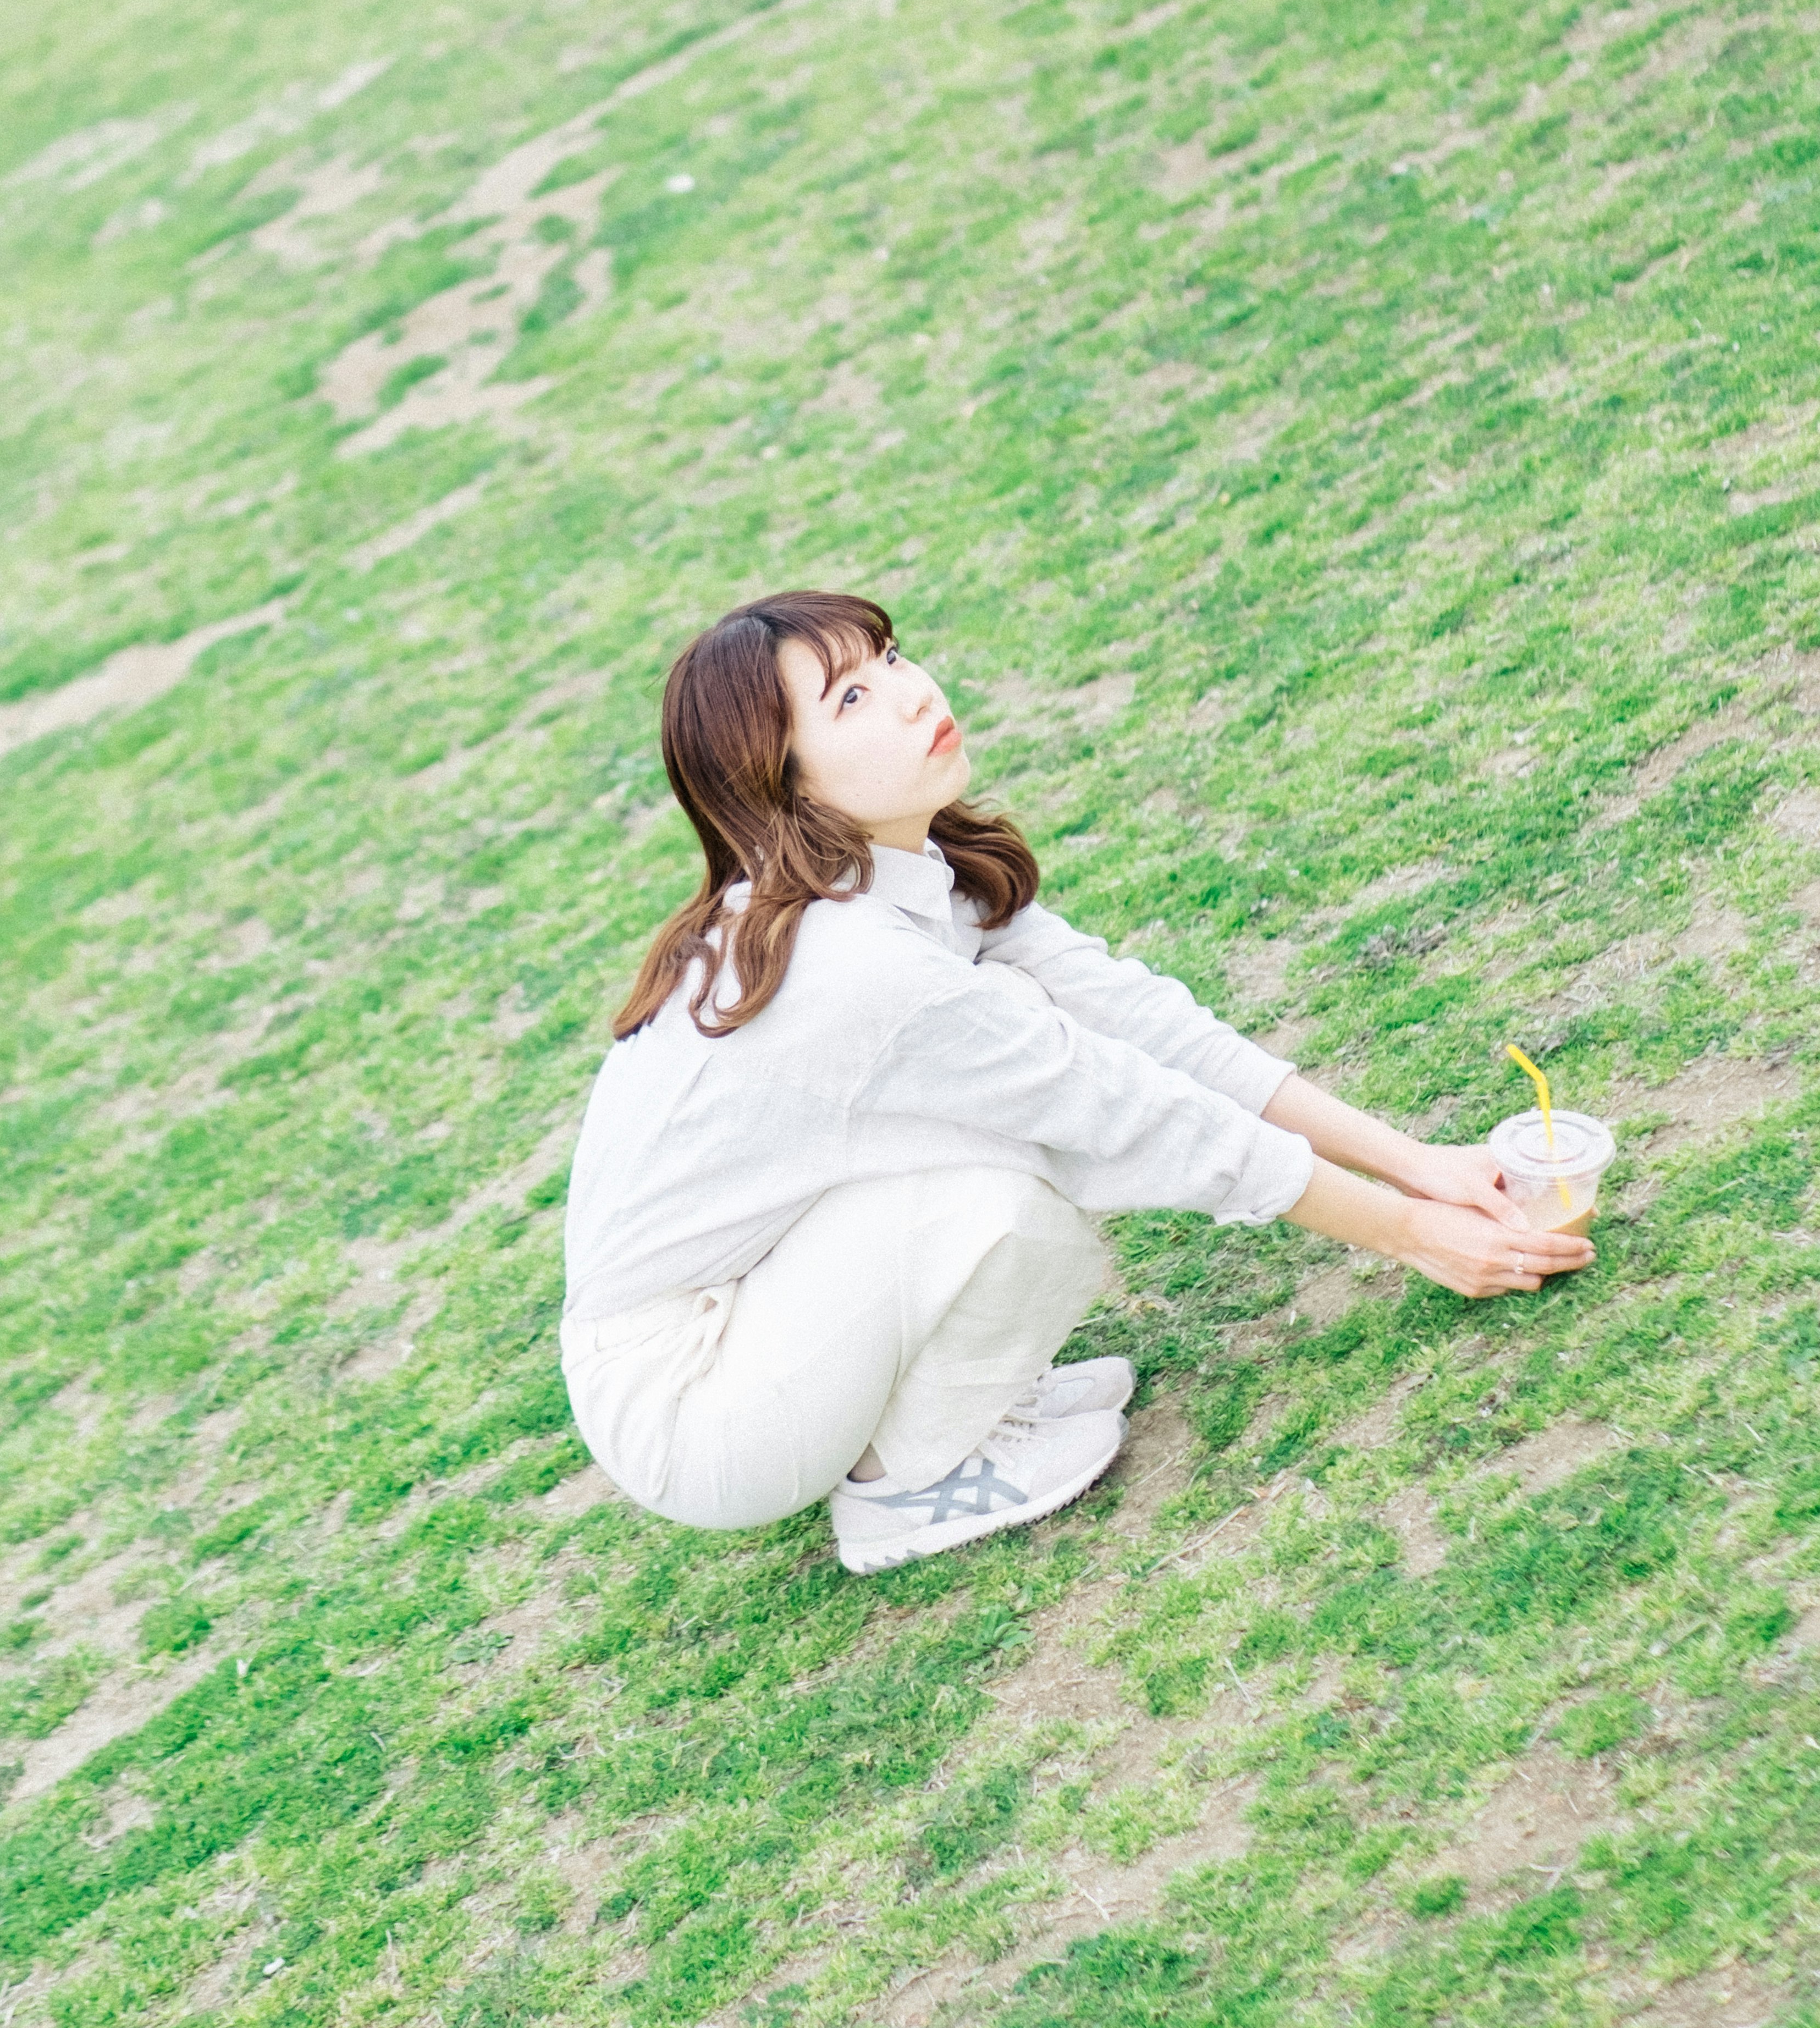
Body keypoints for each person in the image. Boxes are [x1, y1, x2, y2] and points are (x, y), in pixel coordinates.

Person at [561, 592, 1591, 1575]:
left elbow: (1141, 1022)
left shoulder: (901, 871)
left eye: (889, 658)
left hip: (756, 1310)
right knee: (1009, 1178)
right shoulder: (849, 965)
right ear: (779, 782)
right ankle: (899, 1481)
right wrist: (1411, 1234)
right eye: (852, 701)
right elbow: (1129, 1109)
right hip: (689, 1406)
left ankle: (938, 1409)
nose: (916, 691)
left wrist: (1420, 1168)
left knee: (1005, 1134)